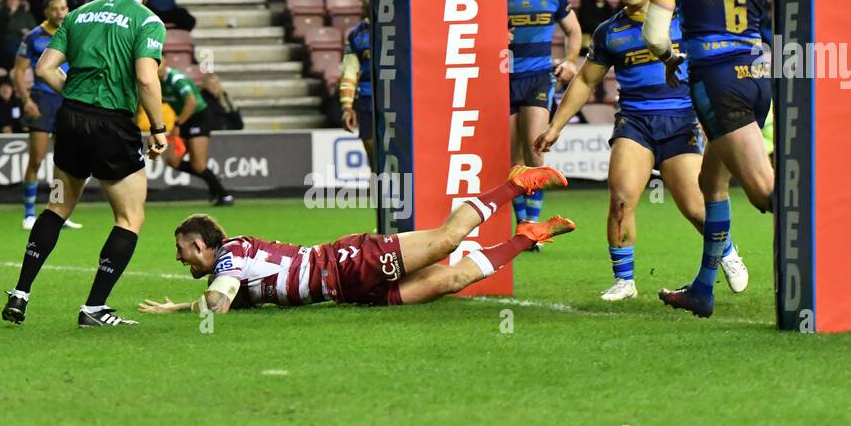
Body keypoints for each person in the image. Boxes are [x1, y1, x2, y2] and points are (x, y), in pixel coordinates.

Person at [535, 0, 748, 301]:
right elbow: (587, 81)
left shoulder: (685, 19)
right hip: (634, 123)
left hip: (680, 123)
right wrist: (556, 126)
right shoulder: (610, 31)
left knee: (697, 207)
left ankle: (726, 252)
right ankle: (624, 280)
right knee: (620, 198)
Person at [137, 166, 573, 316]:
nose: (178, 260)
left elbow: (218, 304)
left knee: (444, 242)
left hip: (347, 263)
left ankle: (515, 186)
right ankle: (526, 237)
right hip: (350, 292)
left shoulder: (230, 256)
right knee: (449, 281)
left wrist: (188, 307)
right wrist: (178, 306)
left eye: (180, 251)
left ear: (199, 245)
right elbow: (227, 299)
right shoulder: (234, 270)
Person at [2, 0, 170, 328]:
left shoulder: (79, 14)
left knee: (57, 207)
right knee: (129, 217)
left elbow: (44, 68)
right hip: (112, 124)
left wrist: (76, 94)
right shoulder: (148, 21)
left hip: (71, 120)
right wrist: (158, 128)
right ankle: (94, 307)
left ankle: (20, 293)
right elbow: (146, 78)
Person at [643, 0, 773, 318]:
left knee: (764, 193)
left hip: (717, 82)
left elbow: (655, 35)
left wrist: (668, 55)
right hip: (760, 74)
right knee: (711, 183)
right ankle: (703, 289)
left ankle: (840, 219)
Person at [506, 0, 581, 225]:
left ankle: (533, 226)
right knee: (510, 160)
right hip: (503, 81)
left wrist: (570, 60)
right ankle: (522, 222)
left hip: (538, 78)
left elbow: (574, 31)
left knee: (534, 150)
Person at [11, 0, 82, 231]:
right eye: (55, 9)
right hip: (42, 100)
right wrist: (27, 100)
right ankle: (29, 213)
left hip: (67, 99)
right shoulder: (33, 37)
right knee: (37, 158)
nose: (60, 12)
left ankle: (57, 212)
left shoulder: (73, 32)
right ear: (46, 12)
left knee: (62, 161)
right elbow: (19, 72)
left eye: (63, 7)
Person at [152, 55, 233, 204]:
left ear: (165, 63)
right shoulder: (157, 82)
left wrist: (178, 124)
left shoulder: (176, 79)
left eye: (159, 64)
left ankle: (225, 195)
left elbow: (192, 103)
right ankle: (210, 177)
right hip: (184, 120)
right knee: (173, 161)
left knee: (198, 164)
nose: (156, 68)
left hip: (199, 118)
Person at [338, 0, 374, 167]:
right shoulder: (356, 35)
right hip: (368, 97)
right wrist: (347, 107)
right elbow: (350, 71)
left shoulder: (401, 27)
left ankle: (406, 193)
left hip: (398, 96)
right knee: (373, 154)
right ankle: (380, 194)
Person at [0, 0, 37, 66]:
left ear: (19, 1)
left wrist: (28, 33)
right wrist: (11, 14)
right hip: (5, 44)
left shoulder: (26, 15)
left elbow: (35, 31)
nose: (12, 1)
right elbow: (0, 29)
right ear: (6, 2)